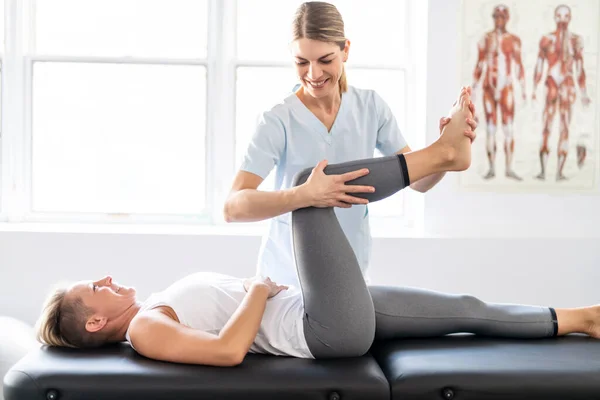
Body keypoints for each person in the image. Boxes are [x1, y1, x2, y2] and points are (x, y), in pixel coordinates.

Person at [35, 89, 600, 366]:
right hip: (320, 329)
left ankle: (581, 318)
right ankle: (440, 154)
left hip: (326, 312)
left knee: (463, 307)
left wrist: (257, 294)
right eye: (95, 286)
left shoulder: (153, 309)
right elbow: (229, 352)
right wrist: (256, 289)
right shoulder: (143, 331)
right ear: (96, 319)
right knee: (310, 185)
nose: (105, 278)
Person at [223, 1, 478, 289]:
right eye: (302, 62)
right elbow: (233, 207)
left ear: (345, 50)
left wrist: (443, 163)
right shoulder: (278, 120)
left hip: (350, 279)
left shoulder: (370, 107)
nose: (314, 74)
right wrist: (305, 195)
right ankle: (444, 151)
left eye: (325, 60)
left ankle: (443, 153)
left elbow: (418, 183)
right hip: (285, 282)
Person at [532, 4, 591, 181]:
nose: (562, 20)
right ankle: (543, 171)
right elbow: (539, 64)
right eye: (559, 16)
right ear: (555, 17)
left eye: (566, 16)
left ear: (570, 18)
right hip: (551, 84)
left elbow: (580, 68)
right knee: (547, 125)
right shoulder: (546, 40)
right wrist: (534, 88)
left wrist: (583, 92)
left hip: (567, 85)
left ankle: (559, 171)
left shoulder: (575, 41)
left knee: (565, 126)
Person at [472, 4, 526, 181]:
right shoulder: (485, 39)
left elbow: (518, 65)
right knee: (490, 129)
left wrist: (524, 89)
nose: (499, 20)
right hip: (489, 87)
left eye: (502, 17)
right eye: (496, 16)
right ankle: (492, 168)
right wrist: (473, 88)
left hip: (506, 88)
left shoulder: (514, 40)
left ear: (507, 18)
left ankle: (509, 168)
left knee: (508, 128)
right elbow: (480, 64)